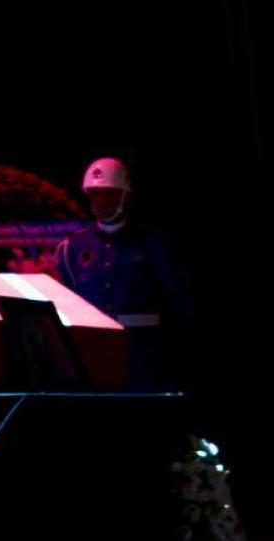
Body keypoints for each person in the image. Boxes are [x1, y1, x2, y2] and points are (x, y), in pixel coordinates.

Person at [54, 157, 194, 390]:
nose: (100, 200)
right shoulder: (72, 248)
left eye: (108, 193)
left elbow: (180, 302)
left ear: (125, 196)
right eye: (94, 193)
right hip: (94, 354)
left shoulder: (152, 244)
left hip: (145, 356)